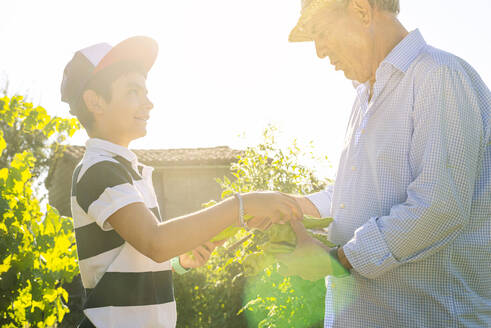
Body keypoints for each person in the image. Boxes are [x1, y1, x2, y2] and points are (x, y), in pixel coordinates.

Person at [271, 0, 491, 327]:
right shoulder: (364, 98)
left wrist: (337, 260)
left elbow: (438, 207)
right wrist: (288, 207)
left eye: (320, 32)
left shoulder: (440, 75)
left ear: (361, 9)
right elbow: (356, 195)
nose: (319, 51)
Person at [60, 36, 301, 328]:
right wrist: (242, 204)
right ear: (95, 101)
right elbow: (155, 241)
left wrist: (179, 261)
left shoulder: (125, 170)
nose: (148, 103)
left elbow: (142, 255)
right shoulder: (99, 169)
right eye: (133, 91)